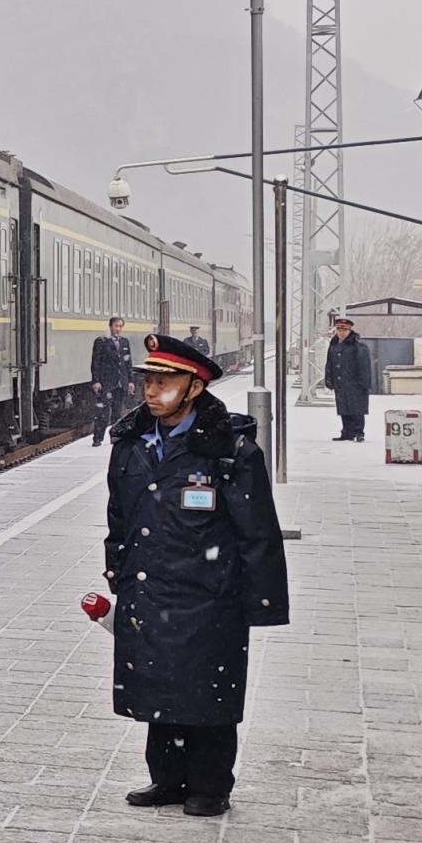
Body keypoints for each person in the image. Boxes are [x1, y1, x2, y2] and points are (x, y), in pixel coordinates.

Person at [105, 333, 288, 817]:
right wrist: (118, 571)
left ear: (194, 387)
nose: (151, 391)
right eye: (148, 380)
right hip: (151, 587)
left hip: (210, 594)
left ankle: (210, 785)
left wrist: (261, 602)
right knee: (159, 684)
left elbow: (258, 530)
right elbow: (119, 516)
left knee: (208, 690)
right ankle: (167, 778)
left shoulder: (230, 450)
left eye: (164, 382)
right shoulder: (131, 444)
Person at [324, 314, 372, 443]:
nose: (341, 332)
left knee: (357, 409)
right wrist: (329, 379)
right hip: (341, 382)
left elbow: (364, 366)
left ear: (350, 330)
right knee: (344, 408)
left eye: (344, 330)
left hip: (355, 383)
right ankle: (347, 432)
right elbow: (330, 363)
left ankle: (358, 432)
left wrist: (364, 383)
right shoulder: (334, 345)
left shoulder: (358, 346)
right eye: (339, 329)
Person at [89, 316, 135, 446]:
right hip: (106, 382)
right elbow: (96, 362)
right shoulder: (101, 342)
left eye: (120, 326)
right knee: (103, 412)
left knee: (117, 412)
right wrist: (96, 381)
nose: (118, 329)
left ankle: (116, 438)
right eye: (116, 326)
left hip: (121, 382)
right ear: (110, 327)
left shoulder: (124, 342)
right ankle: (97, 438)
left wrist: (130, 381)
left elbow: (128, 363)